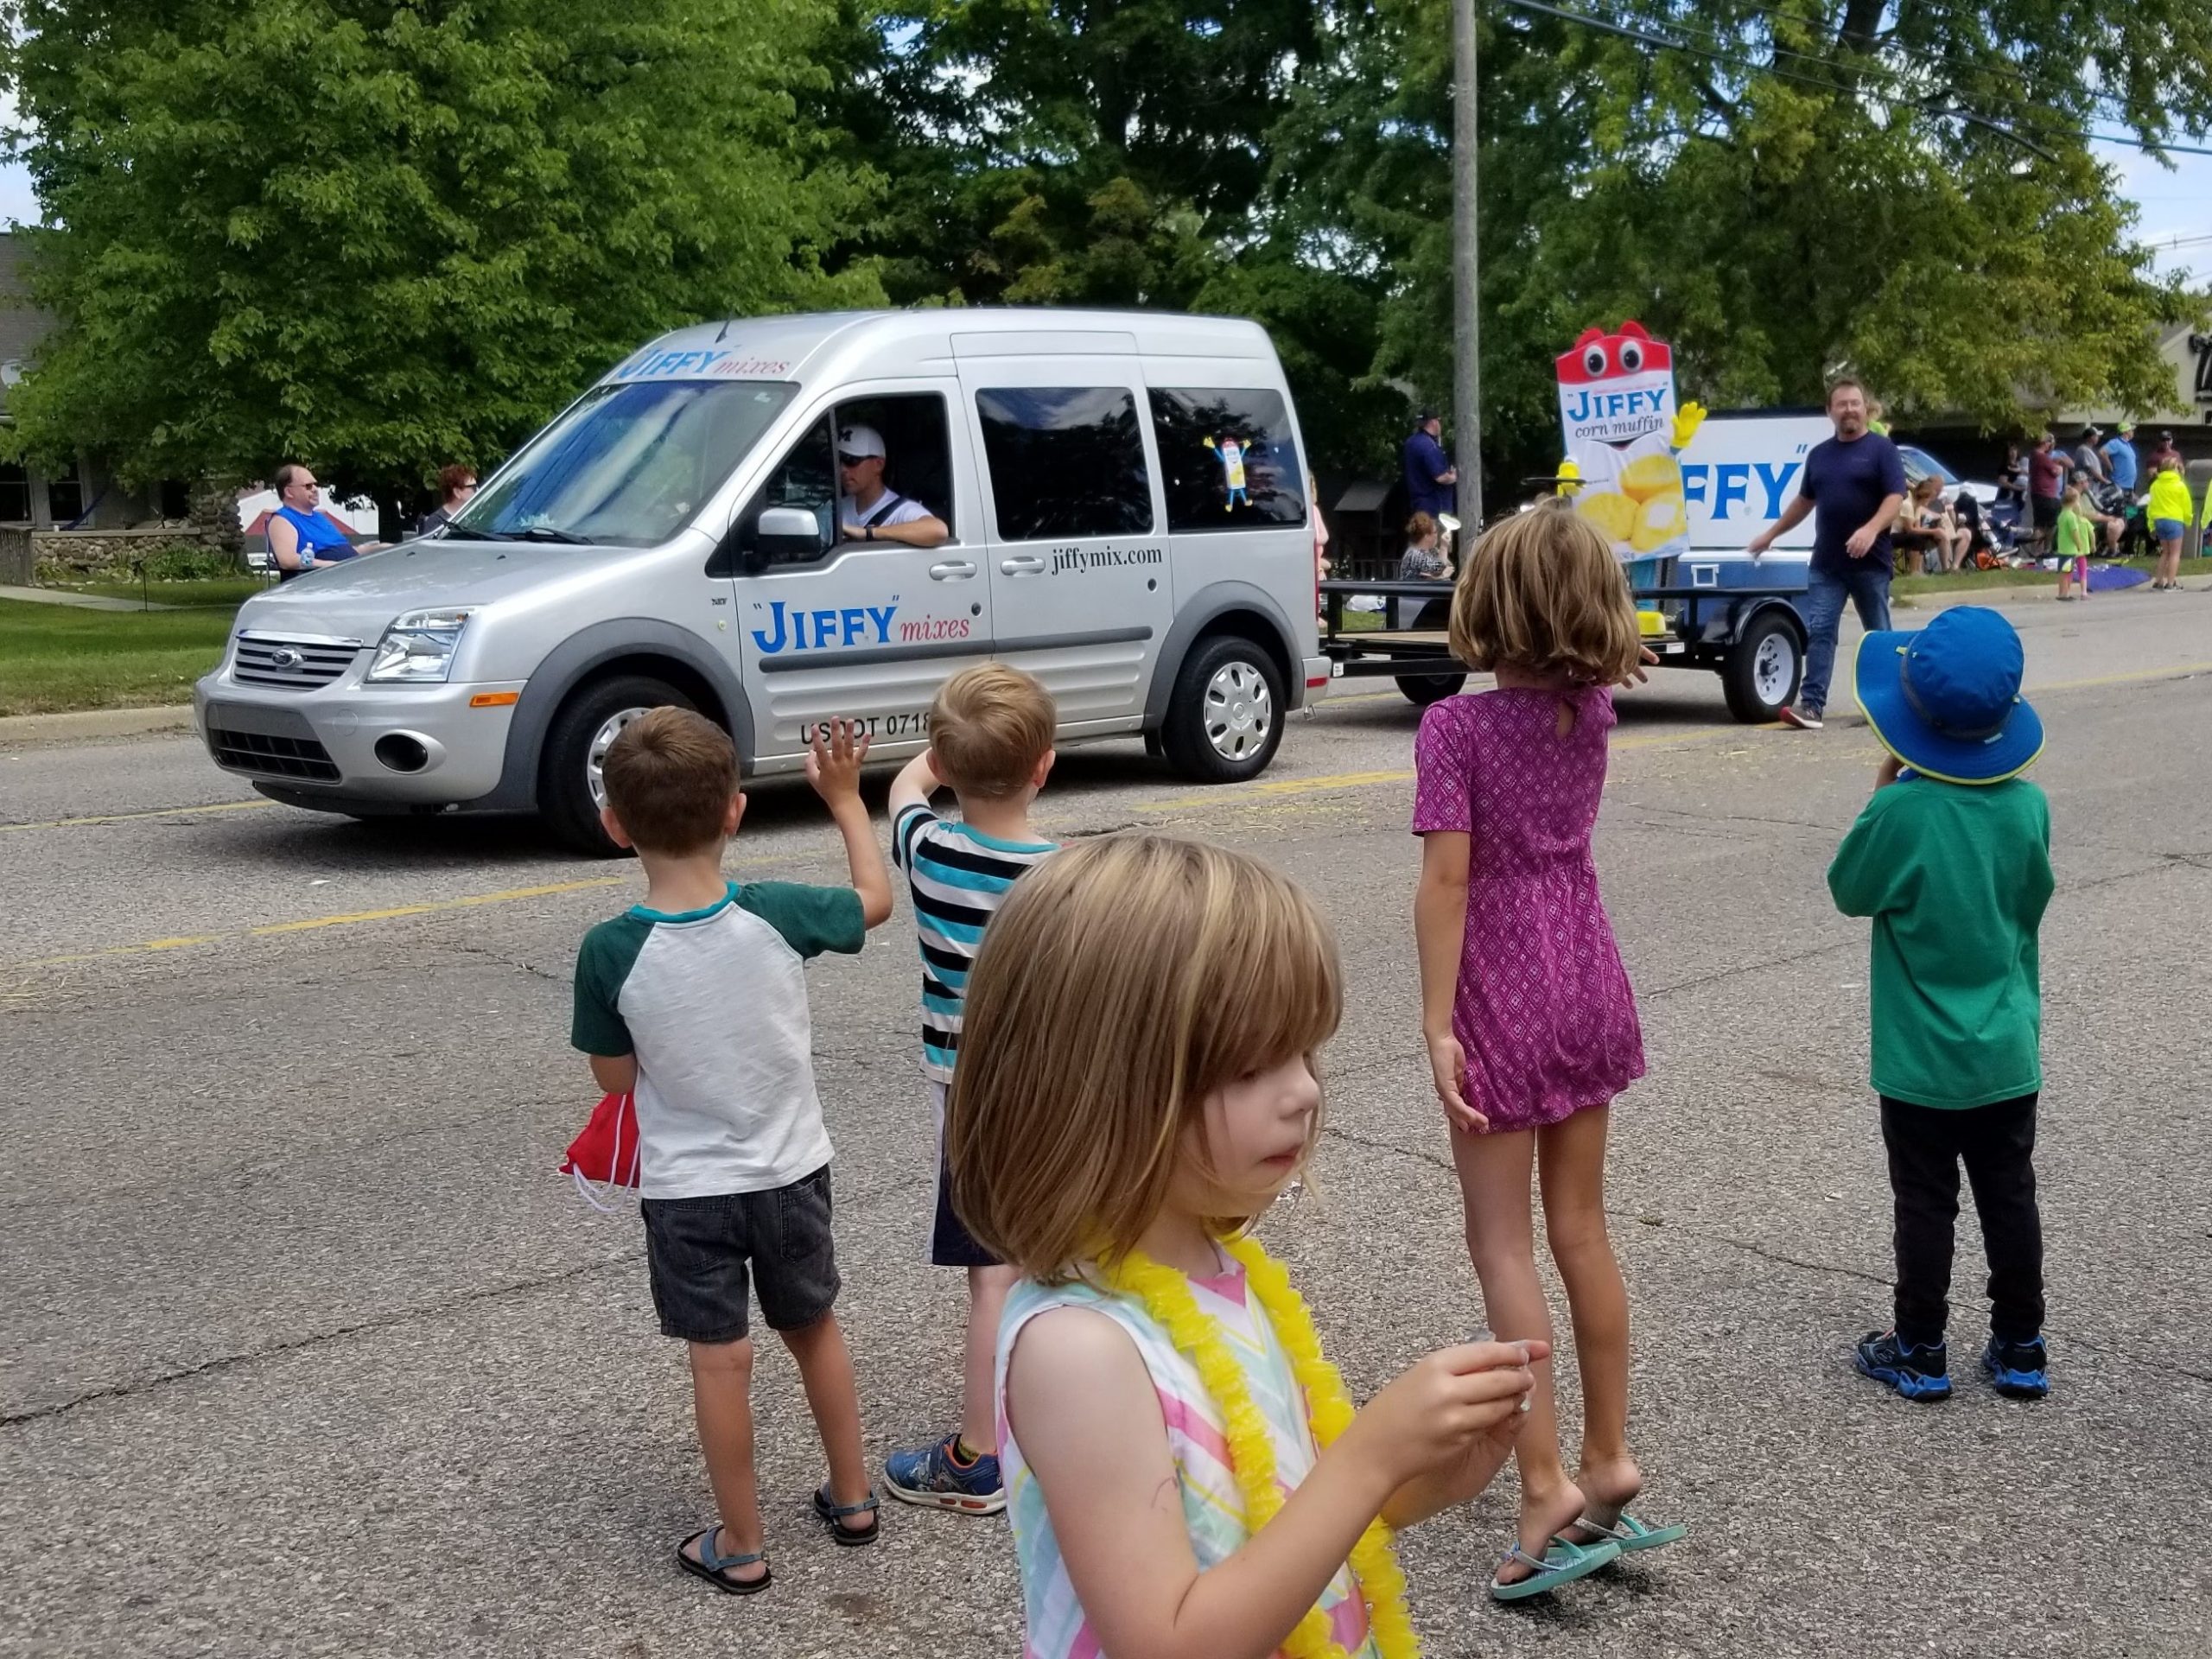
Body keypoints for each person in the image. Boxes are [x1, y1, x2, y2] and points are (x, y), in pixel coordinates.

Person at [955, 833, 1545, 1657]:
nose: (1304, 1090)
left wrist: (1426, 1475)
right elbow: (1168, 1645)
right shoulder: (1078, 1353)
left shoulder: (1216, 1270)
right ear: (1099, 1087)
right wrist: (1370, 1458)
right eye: (1248, 1066)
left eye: (1303, 1052)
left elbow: (1282, 1514)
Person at [1413, 506, 1684, 1600]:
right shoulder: (1593, 712)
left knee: (1502, 1244)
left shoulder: (1455, 728)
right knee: (1582, 1228)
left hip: (1501, 988)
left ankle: (1543, 1486)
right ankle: (1609, 1456)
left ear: (1487, 604)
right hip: (1586, 971)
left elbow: (1446, 881)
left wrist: (1438, 1025)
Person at [569, 709, 894, 1594]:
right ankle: (853, 1497)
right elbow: (874, 901)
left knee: (720, 1358)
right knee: (813, 1328)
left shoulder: (609, 951)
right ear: (735, 812)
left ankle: (742, 1544)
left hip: (689, 1190)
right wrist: (844, 800)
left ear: (615, 825)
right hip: (791, 1170)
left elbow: (613, 1078)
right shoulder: (776, 912)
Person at [1828, 607, 2052, 1403]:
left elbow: (1850, 889)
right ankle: (2021, 1343)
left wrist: (1880, 795)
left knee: (1925, 1201)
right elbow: (2031, 898)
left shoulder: (1902, 811)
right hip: (2005, 1052)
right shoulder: (2028, 806)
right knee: (2010, 1194)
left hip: (1919, 1060)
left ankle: (1921, 1347)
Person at [881, 664, 1060, 1516]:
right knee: (1059, 1256)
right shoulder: (1065, 877)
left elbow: (904, 788)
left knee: (992, 1274)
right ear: (1045, 766)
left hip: (970, 1096)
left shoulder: (929, 851)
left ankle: (978, 1458)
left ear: (949, 765)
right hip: (1053, 1092)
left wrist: (942, 756)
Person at [1745, 378, 1906, 731]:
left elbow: (1895, 498)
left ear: (1865, 408)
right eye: (1842, 404)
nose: (1849, 410)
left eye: (1855, 403)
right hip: (1827, 564)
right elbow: (1804, 502)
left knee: (1878, 635)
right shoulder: (1819, 455)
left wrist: (1870, 530)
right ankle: (1812, 706)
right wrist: (1771, 535)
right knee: (1819, 631)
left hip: (1871, 564)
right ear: (1830, 411)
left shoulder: (1882, 450)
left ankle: (1888, 706)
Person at [836, 423, 949, 548]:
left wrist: (867, 533)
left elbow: (938, 530)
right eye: (838, 461)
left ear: (879, 465)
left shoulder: (902, 511)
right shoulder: (836, 508)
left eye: (851, 460)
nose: (842, 469)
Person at [266, 463, 385, 578]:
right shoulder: (282, 520)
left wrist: (379, 548)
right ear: (289, 492)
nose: (315, 489)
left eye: (315, 485)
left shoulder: (320, 517)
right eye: (308, 486)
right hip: (321, 584)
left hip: (349, 577)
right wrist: (334, 566)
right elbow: (288, 560)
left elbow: (343, 549)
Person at [1394, 510, 1453, 628]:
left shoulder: (1431, 551)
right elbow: (1438, 569)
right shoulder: (1414, 555)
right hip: (1415, 605)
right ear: (1426, 536)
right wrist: (1444, 547)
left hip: (1428, 603)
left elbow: (1448, 566)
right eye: (1435, 532)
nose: (1437, 535)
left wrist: (1439, 576)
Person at [2146, 457, 2193, 591]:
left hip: (2159, 520)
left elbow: (2151, 506)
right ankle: (2171, 583)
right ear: (2175, 469)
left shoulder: (2155, 485)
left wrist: (2151, 525)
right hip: (2174, 520)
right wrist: (2188, 520)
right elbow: (2187, 505)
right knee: (2175, 553)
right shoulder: (2180, 485)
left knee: (2165, 552)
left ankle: (2158, 581)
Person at [1403, 410, 1457, 520]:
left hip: (1418, 506)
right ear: (1434, 422)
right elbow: (1441, 477)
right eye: (1439, 420)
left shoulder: (1411, 442)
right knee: (1437, 532)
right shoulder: (1430, 447)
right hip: (1436, 509)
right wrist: (1455, 476)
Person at [2025, 433, 2066, 552]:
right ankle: (2045, 550)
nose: (2050, 446)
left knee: (2039, 524)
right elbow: (2056, 472)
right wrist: (2060, 466)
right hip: (2047, 495)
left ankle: (2035, 551)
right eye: (2049, 443)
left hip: (2038, 494)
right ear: (2044, 443)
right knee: (2050, 525)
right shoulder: (2042, 457)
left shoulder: (2033, 455)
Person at [2053, 483, 2094, 601]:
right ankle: (2065, 594)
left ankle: (2061, 593)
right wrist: (2079, 545)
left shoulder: (2062, 515)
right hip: (2070, 549)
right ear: (2074, 502)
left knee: (2063, 572)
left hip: (2062, 548)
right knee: (2067, 572)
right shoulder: (2071, 517)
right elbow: (2074, 532)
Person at [416, 464, 478, 537]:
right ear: (457, 492)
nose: (477, 489)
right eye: (473, 487)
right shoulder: (436, 523)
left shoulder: (475, 515)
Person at [2105, 421, 2139, 495]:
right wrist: (2110, 467)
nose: (2133, 432)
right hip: (2120, 484)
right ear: (2126, 432)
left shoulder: (2128, 445)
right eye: (2131, 430)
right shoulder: (2116, 443)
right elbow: (2102, 452)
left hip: (2130, 485)